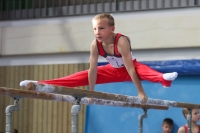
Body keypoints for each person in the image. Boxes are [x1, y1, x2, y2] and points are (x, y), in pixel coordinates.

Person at [20, 13, 178, 104]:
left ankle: (163, 79)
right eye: (95, 28)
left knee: (144, 70)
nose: (97, 32)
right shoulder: (95, 45)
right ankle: (40, 84)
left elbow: (130, 68)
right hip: (112, 71)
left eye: (101, 28)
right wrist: (91, 93)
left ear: (112, 29)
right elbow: (93, 70)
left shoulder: (121, 41)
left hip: (130, 68)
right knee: (80, 75)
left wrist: (141, 93)